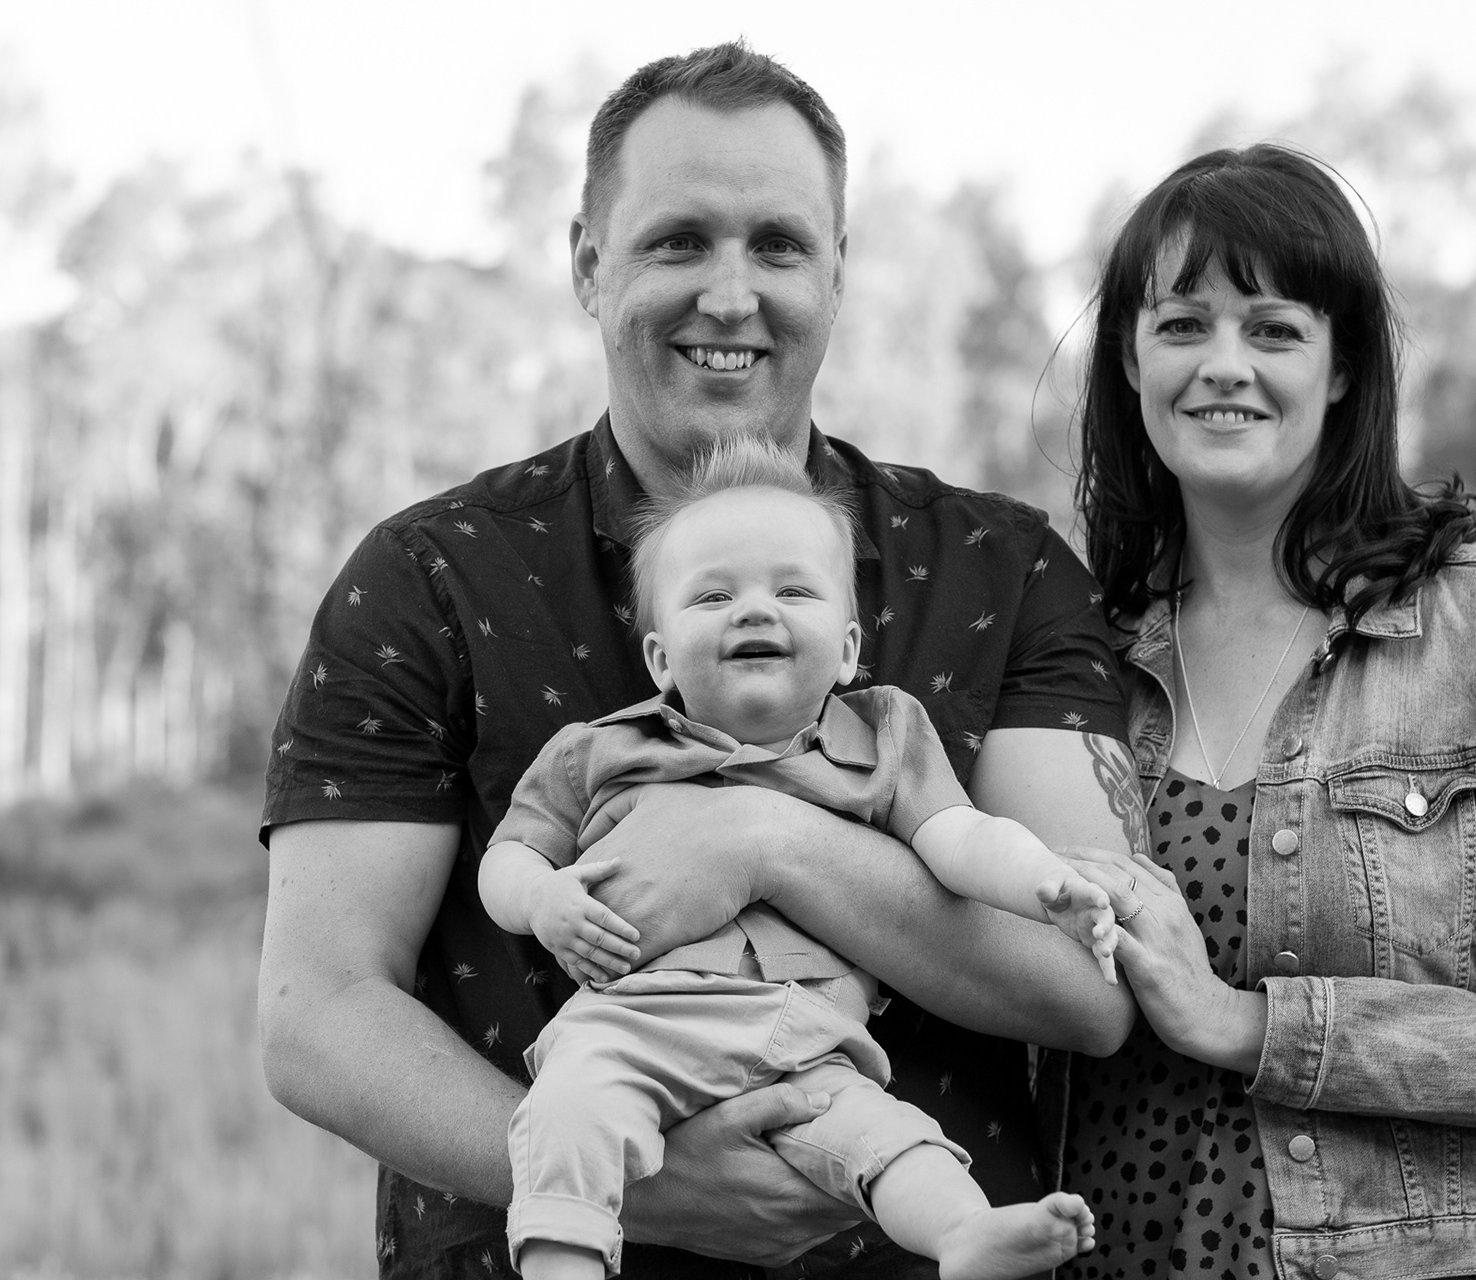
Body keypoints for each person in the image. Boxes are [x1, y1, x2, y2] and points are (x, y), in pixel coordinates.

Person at [257, 41, 1141, 1280]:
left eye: (778, 245)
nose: (731, 296)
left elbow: (1092, 990)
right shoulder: (429, 577)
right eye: (679, 241)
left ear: (839, 271)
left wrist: (769, 840)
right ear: (587, 263)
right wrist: (641, 1188)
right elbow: (315, 1013)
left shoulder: (1003, 569)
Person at [1059, 144, 1476, 1280]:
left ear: (1341, 369)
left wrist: (1245, 1023)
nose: (1222, 365)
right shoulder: (1074, 651)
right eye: (1181, 324)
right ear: (1131, 361)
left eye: (1273, 329)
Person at [485, 438, 1108, 1280]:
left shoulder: (884, 739)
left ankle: (963, 1233)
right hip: (637, 1023)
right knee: (567, 1110)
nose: (754, 610)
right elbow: (509, 859)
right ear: (661, 659)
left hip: (808, 1039)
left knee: (891, 1140)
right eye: (714, 595)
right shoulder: (597, 752)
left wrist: (1043, 883)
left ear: (848, 649)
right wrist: (541, 899)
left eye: (793, 590)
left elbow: (961, 839)